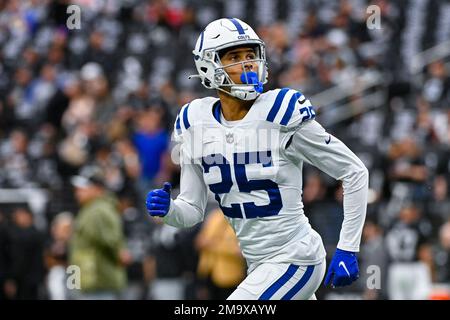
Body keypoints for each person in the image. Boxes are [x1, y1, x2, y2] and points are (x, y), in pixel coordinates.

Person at [146, 18, 369, 300]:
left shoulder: (280, 112)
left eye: (251, 55)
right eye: (235, 57)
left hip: (295, 257)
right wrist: (170, 210)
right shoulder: (194, 121)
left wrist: (348, 246)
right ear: (207, 65)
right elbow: (192, 209)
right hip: (257, 264)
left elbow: (354, 171)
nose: (248, 63)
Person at [69, 165, 131, 299]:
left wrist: (120, 254)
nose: (77, 192)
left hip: (98, 281)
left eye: (83, 188)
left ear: (97, 188)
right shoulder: (91, 208)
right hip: (91, 281)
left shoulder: (98, 210)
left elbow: (112, 242)